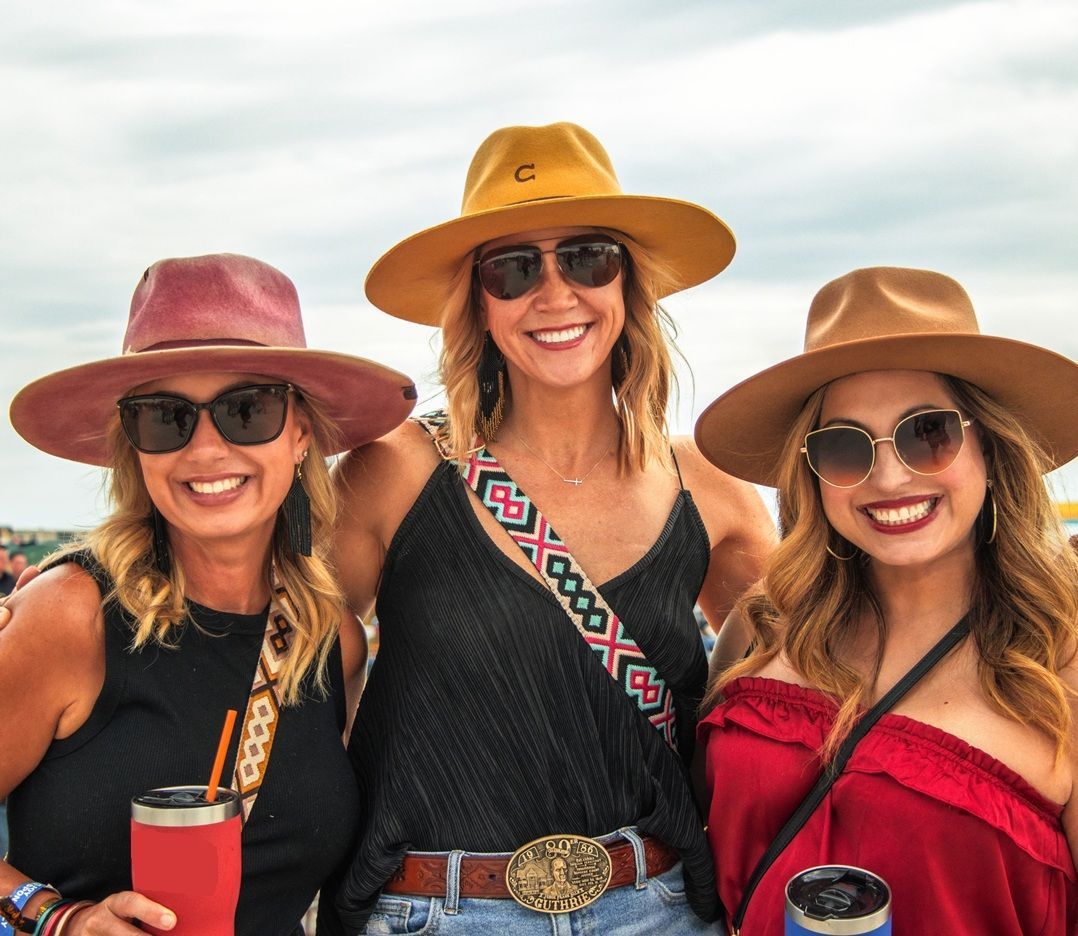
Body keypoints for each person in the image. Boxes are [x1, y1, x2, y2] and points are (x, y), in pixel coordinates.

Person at [331, 122, 776, 933]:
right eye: (512, 267)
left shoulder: (705, 487)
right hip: (439, 909)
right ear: (479, 302)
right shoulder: (395, 471)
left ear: (626, 283)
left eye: (587, 257)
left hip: (657, 906)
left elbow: (821, 672)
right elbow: (282, 666)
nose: (555, 291)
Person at [0, 254, 415, 936]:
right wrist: (55, 918)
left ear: (302, 433)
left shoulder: (328, 639)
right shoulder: (71, 616)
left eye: (248, 409)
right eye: (166, 417)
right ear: (134, 445)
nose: (206, 448)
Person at [694, 267, 1078, 934]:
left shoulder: (1062, 661)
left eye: (928, 434)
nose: (889, 476)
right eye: (844, 447)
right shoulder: (761, 629)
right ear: (810, 474)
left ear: (988, 446)